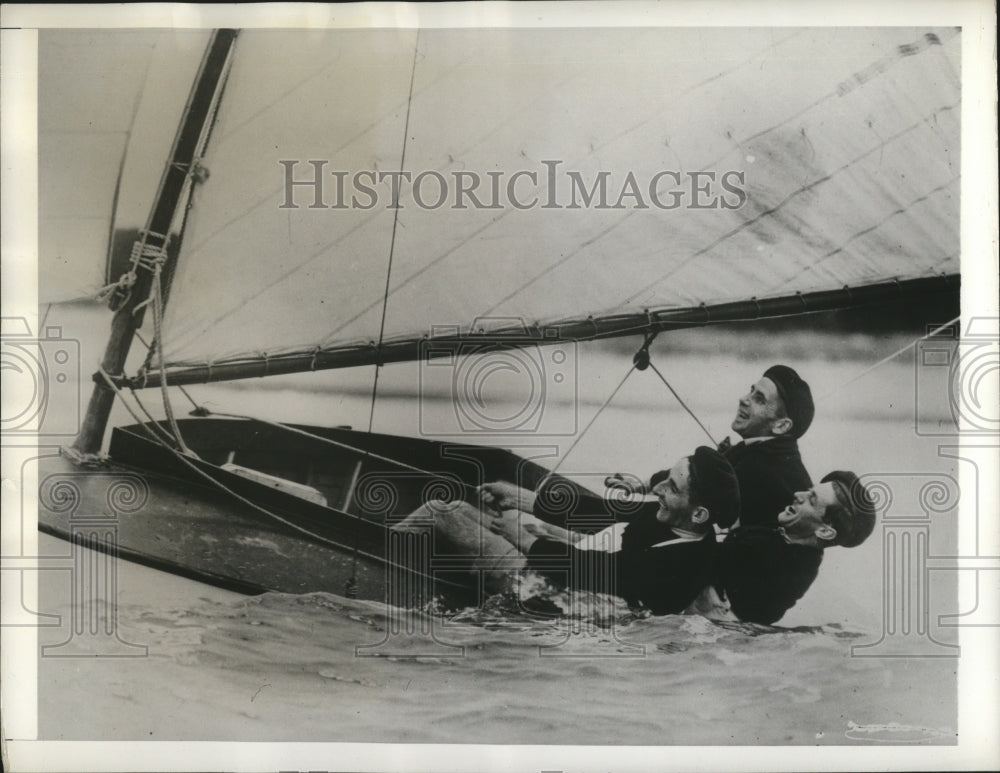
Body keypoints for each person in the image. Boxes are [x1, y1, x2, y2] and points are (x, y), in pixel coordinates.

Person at [394, 447, 740, 615]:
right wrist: (520, 497)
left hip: (556, 595)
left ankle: (363, 559)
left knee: (440, 512)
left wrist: (528, 541)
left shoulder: (681, 563)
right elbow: (599, 512)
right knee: (453, 508)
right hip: (568, 578)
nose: (659, 488)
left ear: (699, 513)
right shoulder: (677, 519)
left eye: (672, 486)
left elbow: (596, 572)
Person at [714, 470, 878, 625]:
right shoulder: (791, 540)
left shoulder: (784, 567)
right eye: (808, 491)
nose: (798, 495)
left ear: (825, 531)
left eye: (812, 500)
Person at [720, 364, 815, 529]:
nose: (744, 399)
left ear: (781, 426)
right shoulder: (762, 454)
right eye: (751, 391)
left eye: (759, 399)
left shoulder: (761, 470)